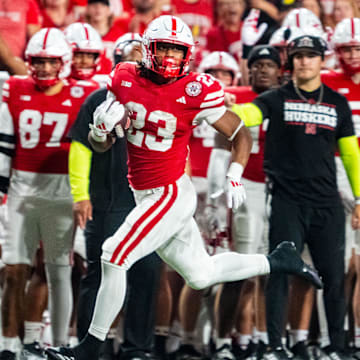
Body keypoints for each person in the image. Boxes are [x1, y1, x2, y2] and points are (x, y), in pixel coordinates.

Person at [45, 15, 322, 360]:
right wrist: (101, 133)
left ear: (188, 54)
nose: (172, 58)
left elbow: (240, 132)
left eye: (179, 51)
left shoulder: (196, 89)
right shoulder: (123, 77)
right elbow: (99, 145)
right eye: (165, 49)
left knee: (113, 254)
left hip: (170, 192)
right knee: (201, 274)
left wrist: (234, 172)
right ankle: (278, 260)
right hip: (144, 192)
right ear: (149, 49)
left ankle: (88, 348)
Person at [231, 34, 360, 360]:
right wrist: (225, 107)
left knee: (333, 277)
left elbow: (349, 155)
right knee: (280, 274)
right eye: (299, 56)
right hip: (288, 201)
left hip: (327, 203)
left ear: (321, 60)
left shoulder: (337, 102)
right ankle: (276, 346)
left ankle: (336, 347)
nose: (304, 61)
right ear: (292, 62)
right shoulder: (277, 97)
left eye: (311, 55)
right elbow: (250, 115)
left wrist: (359, 199)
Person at [0, 28, 99, 360]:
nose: (43, 68)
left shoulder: (83, 95)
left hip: (61, 194)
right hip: (20, 193)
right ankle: (9, 345)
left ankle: (60, 344)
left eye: (51, 62)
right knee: (14, 271)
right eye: (38, 61)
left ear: (64, 63)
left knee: (58, 272)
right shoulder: (12, 88)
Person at [70, 33, 162, 360]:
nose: (135, 66)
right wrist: (81, 194)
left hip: (148, 202)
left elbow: (181, 150)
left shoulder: (160, 98)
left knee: (147, 274)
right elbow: (81, 147)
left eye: (140, 60)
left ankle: (137, 348)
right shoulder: (98, 99)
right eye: (129, 60)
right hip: (108, 200)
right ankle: (92, 346)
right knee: (99, 274)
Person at [207, 45, 281, 360]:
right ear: (248, 69)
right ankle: (222, 339)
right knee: (240, 271)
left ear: (280, 70)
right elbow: (221, 150)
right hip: (245, 187)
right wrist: (216, 200)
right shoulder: (235, 96)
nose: (263, 70)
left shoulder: (288, 98)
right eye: (257, 64)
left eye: (269, 65)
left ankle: (262, 339)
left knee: (272, 271)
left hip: (280, 189)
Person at [321, 17, 360, 357]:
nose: (352, 54)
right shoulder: (326, 81)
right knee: (340, 266)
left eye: (357, 47)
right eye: (346, 47)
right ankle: (333, 337)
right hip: (335, 172)